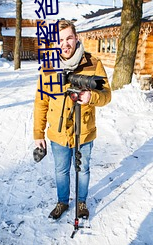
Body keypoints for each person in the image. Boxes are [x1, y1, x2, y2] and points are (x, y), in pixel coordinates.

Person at [33, 20, 111, 220]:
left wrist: (91, 97)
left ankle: (82, 202)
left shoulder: (93, 64)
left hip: (84, 130)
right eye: (60, 40)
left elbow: (107, 95)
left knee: (83, 168)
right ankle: (62, 202)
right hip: (58, 133)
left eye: (69, 38)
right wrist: (38, 134)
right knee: (61, 170)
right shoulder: (49, 67)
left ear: (76, 38)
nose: (65, 44)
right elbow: (41, 102)